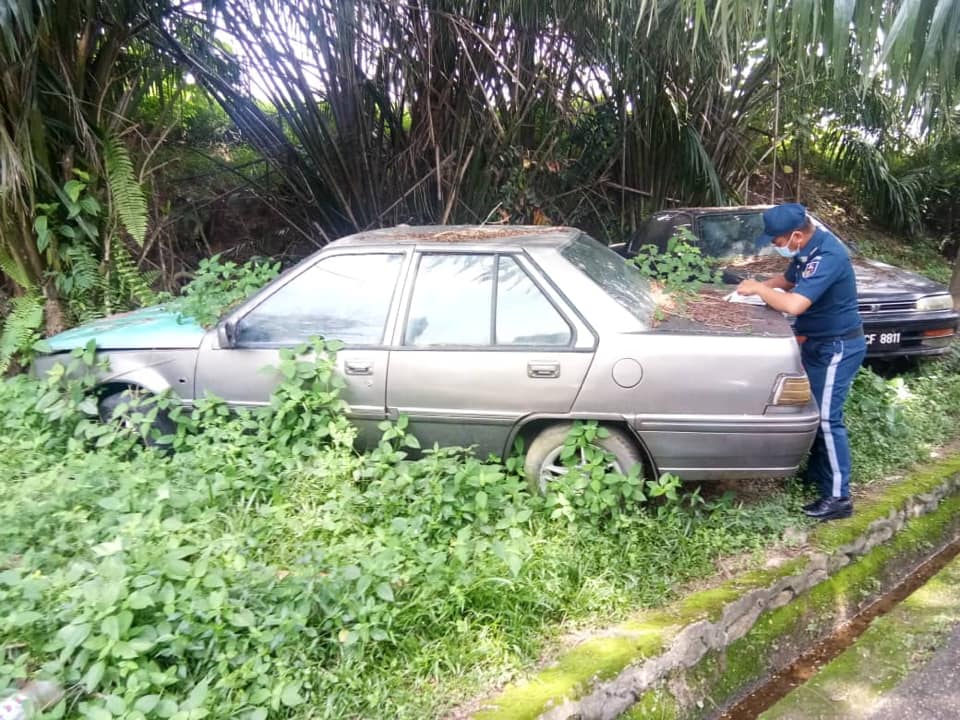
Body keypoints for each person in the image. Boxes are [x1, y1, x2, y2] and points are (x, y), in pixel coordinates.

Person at [736, 203, 866, 521]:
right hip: (817, 344)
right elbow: (788, 279)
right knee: (815, 412)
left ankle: (839, 497)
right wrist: (749, 290)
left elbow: (794, 305)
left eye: (777, 241)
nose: (774, 245)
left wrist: (758, 289)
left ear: (796, 235)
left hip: (837, 347)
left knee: (827, 419)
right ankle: (818, 475)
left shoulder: (829, 255)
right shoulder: (808, 249)